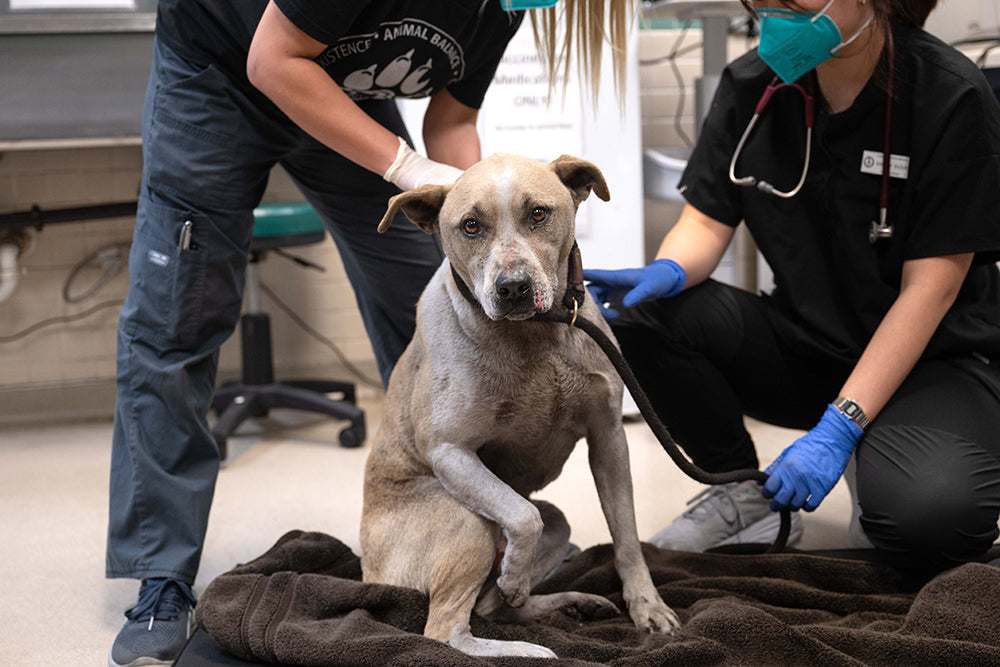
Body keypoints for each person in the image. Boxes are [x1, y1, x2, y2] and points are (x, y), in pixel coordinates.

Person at [106, 1, 635, 665]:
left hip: (340, 90)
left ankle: (457, 535)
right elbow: (273, 61)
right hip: (222, 80)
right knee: (180, 315)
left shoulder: (503, 7)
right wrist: (406, 170)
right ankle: (161, 576)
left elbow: (454, 120)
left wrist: (473, 220)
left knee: (426, 286)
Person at [585, 0, 1000, 582]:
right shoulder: (754, 85)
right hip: (809, 343)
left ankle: (882, 448)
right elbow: (706, 222)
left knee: (930, 524)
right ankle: (745, 499)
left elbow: (929, 291)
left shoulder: (950, 95)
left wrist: (841, 427)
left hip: (932, 363)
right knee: (645, 314)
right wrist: (668, 271)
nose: (774, 9)